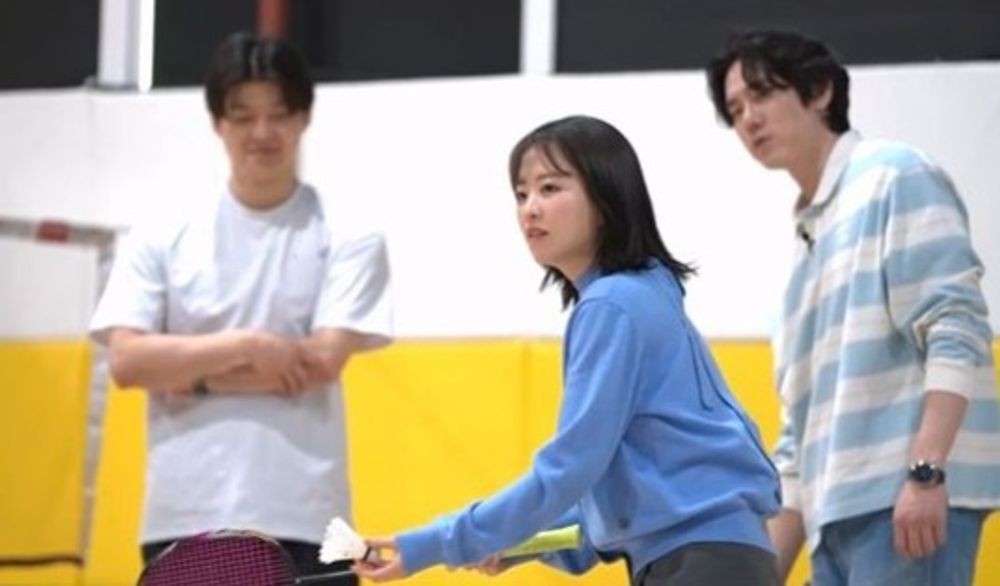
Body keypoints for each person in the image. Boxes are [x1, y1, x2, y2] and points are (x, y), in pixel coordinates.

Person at [352, 115, 782, 585]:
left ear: (606, 198)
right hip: (712, 559)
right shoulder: (643, 294)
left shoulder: (613, 305)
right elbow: (614, 509)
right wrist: (513, 541)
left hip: (701, 565)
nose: (530, 209)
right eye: (521, 194)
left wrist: (438, 543)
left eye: (550, 188)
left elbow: (567, 470)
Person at [89, 32, 392, 585]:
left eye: (278, 113)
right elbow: (128, 362)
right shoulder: (159, 231)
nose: (262, 132)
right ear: (217, 124)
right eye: (243, 115)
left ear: (304, 118)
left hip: (309, 517)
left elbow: (321, 361)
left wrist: (189, 377)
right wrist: (251, 346)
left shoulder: (350, 233)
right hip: (185, 515)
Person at [706, 30, 1000, 586]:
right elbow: (799, 437)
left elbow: (955, 325)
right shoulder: (806, 242)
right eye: (736, 109)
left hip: (907, 505)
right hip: (834, 520)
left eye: (762, 94)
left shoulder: (894, 175)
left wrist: (926, 472)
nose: (748, 119)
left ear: (820, 90)